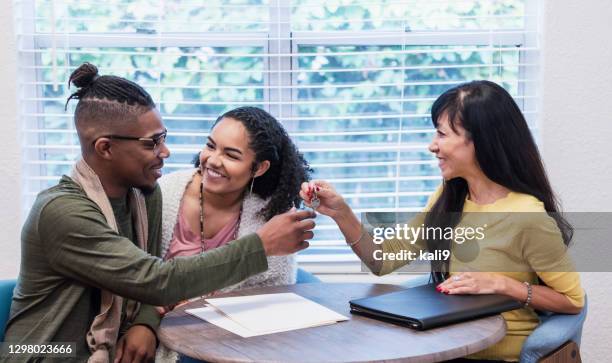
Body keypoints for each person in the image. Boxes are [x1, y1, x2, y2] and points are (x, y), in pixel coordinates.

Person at [2, 63, 315, 363]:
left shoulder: (143, 196)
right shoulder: (62, 212)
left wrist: (146, 323)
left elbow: (148, 282)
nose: (166, 152)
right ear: (105, 148)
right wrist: (261, 245)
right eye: (152, 143)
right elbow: (156, 280)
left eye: (163, 139)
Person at [300, 80, 584, 362]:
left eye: (442, 134)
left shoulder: (527, 216)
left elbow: (572, 301)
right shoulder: (448, 198)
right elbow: (382, 260)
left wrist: (504, 285)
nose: (432, 146)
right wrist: (341, 213)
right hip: (443, 346)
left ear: (481, 141)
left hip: (494, 354)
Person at [154, 106, 311, 361]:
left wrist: (199, 305)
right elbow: (137, 274)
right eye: (210, 146)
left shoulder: (269, 213)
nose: (213, 160)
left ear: (259, 168)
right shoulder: (163, 194)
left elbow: (272, 293)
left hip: (231, 334)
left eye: (231, 155)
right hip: (173, 329)